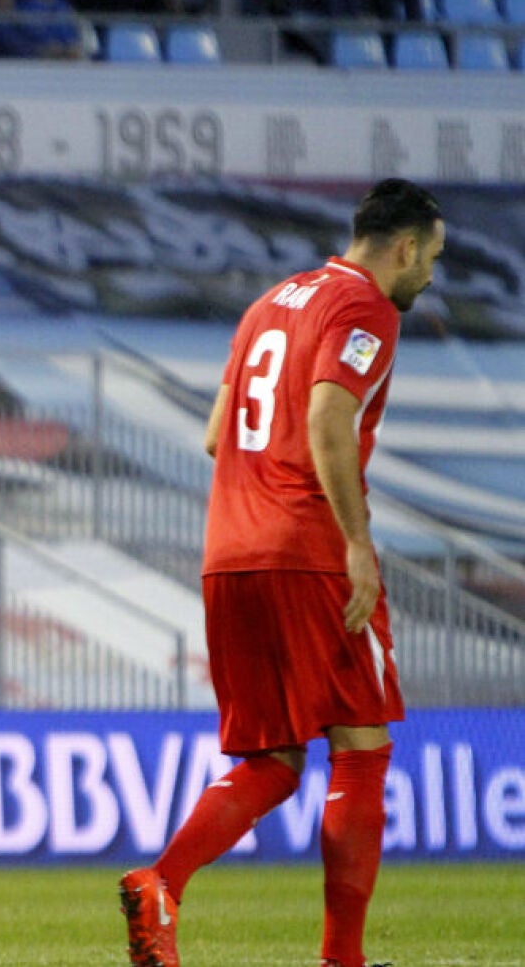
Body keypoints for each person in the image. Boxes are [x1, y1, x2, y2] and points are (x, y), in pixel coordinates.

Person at [116, 178, 444, 967]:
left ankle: (162, 882)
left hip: (231, 553)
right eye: (430, 257)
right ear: (402, 247)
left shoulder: (271, 302)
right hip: (309, 553)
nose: (430, 275)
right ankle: (343, 959)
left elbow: (213, 435)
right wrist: (357, 542)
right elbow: (328, 415)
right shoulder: (364, 307)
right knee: (360, 746)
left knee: (271, 759)